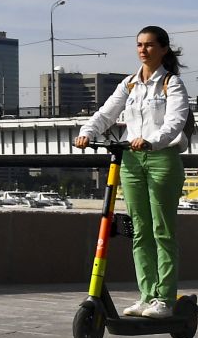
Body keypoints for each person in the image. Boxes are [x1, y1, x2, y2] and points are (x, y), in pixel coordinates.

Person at [73, 25, 190, 319]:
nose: (143, 50)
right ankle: (146, 296)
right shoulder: (129, 84)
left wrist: (152, 141)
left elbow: (175, 121)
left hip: (162, 159)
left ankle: (165, 299)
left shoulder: (171, 84)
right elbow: (106, 112)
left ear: (163, 49)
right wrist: (87, 132)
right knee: (139, 230)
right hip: (131, 162)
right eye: (139, 44)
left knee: (162, 230)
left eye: (149, 45)